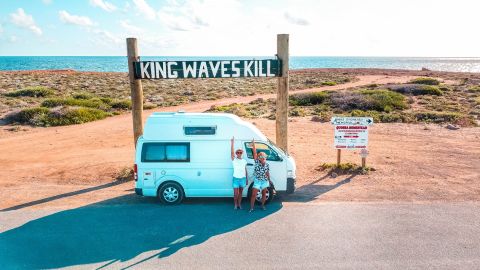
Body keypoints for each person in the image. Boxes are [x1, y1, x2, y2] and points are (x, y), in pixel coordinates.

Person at [249, 138, 270, 212]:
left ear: (265, 158)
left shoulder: (267, 165)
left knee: (264, 194)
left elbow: (267, 173)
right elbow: (254, 153)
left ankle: (262, 205)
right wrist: (253, 144)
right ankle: (251, 208)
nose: (262, 158)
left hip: (264, 180)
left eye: (264, 157)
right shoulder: (257, 162)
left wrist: (269, 180)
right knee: (254, 195)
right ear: (259, 158)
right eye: (261, 157)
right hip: (257, 180)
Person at [231, 137, 248, 210]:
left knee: (241, 193)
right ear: (236, 153)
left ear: (242, 153)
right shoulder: (234, 160)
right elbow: (231, 153)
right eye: (237, 152)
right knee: (235, 193)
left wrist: (247, 178)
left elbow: (245, 170)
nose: (239, 153)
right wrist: (232, 143)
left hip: (243, 179)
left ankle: (239, 204)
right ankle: (235, 204)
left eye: (240, 152)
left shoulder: (244, 161)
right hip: (236, 178)